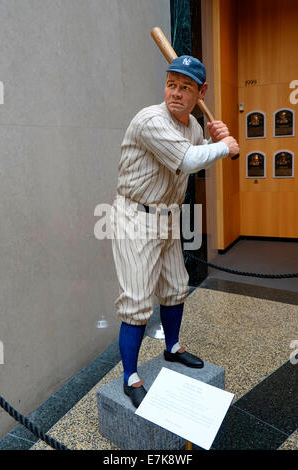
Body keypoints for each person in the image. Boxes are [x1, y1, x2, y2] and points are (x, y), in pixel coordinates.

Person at [110, 55, 239, 408]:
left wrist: (214, 139)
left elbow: (197, 154)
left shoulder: (193, 127)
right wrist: (224, 147)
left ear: (201, 92)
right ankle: (130, 377)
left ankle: (172, 347)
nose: (176, 93)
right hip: (135, 217)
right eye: (171, 85)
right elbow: (187, 160)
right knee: (137, 303)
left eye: (185, 87)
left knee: (175, 287)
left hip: (167, 215)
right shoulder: (151, 120)